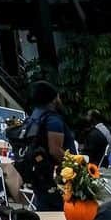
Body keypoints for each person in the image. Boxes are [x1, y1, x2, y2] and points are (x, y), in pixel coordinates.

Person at [19, 81, 75, 212]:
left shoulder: (34, 117)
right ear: (53, 99)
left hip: (39, 174)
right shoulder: (53, 120)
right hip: (56, 177)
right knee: (59, 212)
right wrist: (76, 166)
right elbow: (55, 150)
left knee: (45, 210)